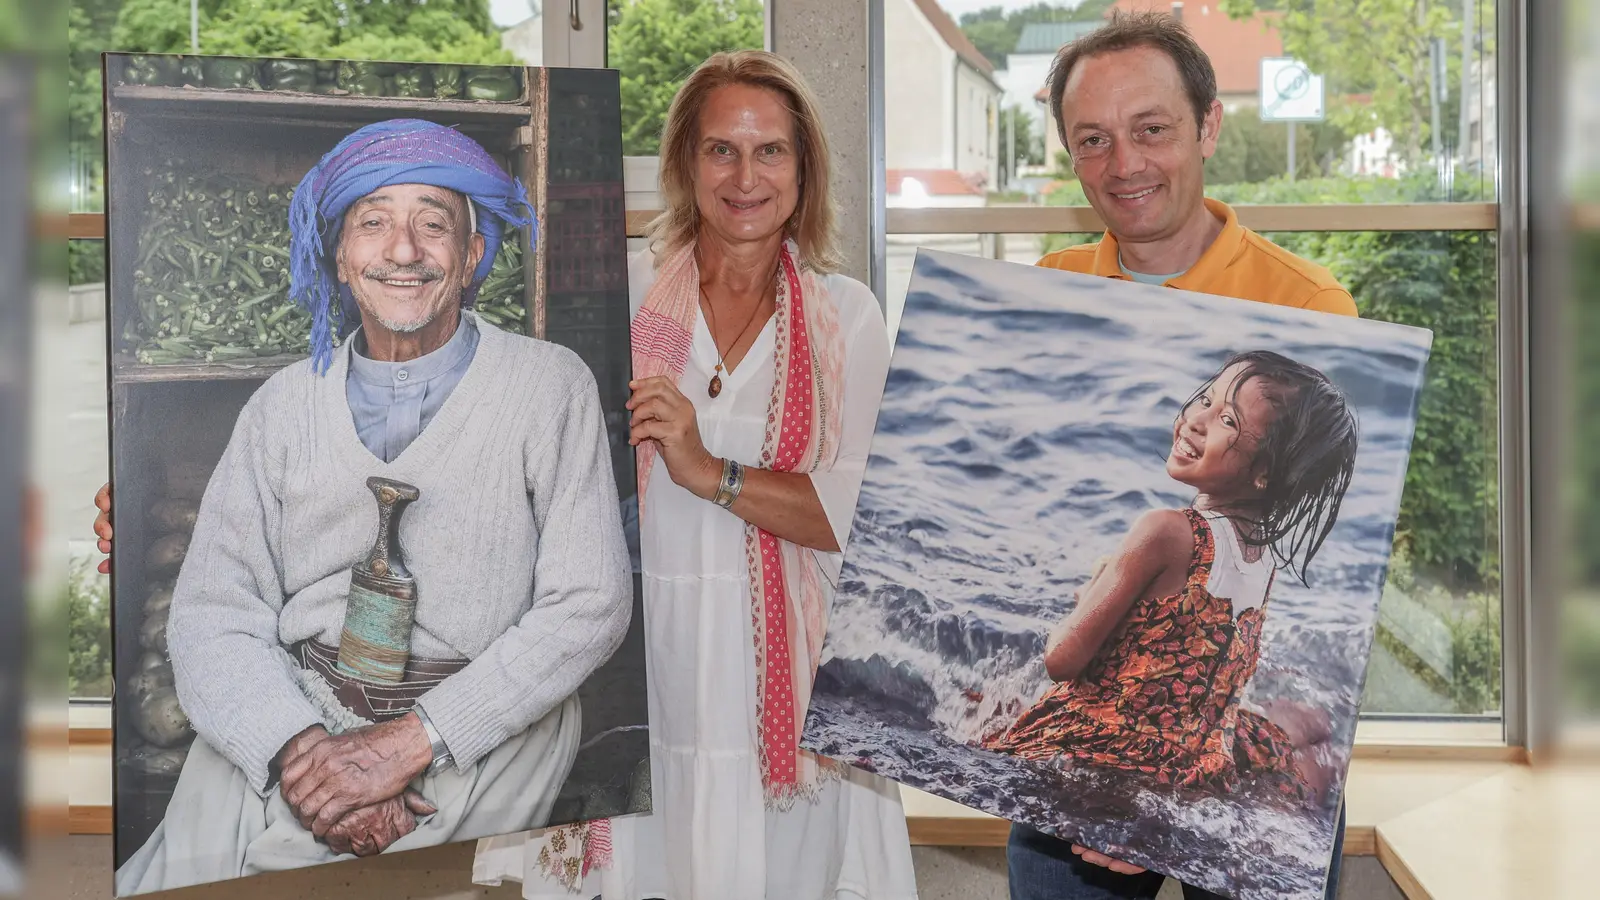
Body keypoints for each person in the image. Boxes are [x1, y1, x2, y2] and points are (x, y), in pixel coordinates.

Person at [109, 119, 633, 895]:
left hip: (478, 723)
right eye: (374, 223)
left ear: (473, 254)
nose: (403, 250)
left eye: (433, 224)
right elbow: (213, 610)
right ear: (342, 257)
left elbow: (589, 603)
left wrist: (409, 744)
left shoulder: (548, 386)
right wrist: (300, 751)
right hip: (295, 714)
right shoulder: (282, 406)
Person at [471, 51, 919, 900]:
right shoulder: (616, 298)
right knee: (646, 867)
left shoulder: (847, 316)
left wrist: (709, 470)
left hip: (788, 684)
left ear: (804, 168)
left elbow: (858, 518)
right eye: (722, 150)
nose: (746, 177)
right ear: (683, 162)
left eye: (770, 151)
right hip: (644, 663)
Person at [1012, 10, 1358, 900]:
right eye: (1093, 139)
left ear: (1208, 126)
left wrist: (1153, 809)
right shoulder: (1047, 290)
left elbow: (1070, 657)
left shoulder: (1309, 305)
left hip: (1164, 752)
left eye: (1152, 129)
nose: (1123, 163)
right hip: (1160, 752)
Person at [983, 351, 1357, 807]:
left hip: (1112, 748)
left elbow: (1061, 661)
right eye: (1206, 400)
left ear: (1265, 473)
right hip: (1200, 756)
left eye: (1227, 420)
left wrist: (1090, 595)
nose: (1196, 421)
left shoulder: (1165, 531)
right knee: (1308, 725)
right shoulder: (1266, 558)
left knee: (984, 709)